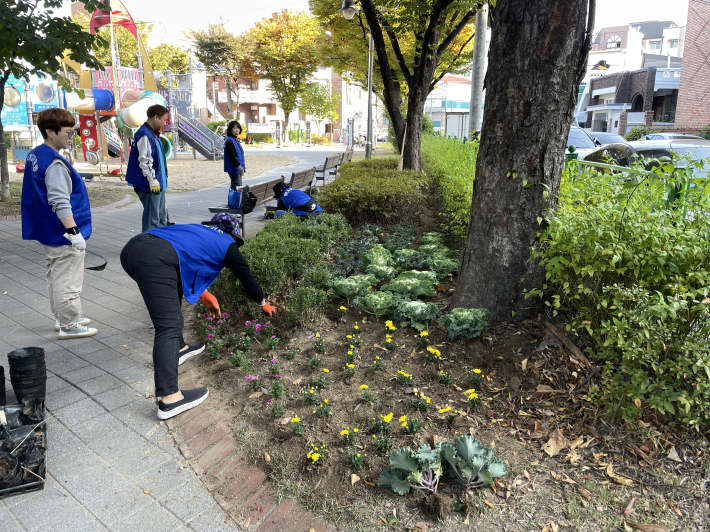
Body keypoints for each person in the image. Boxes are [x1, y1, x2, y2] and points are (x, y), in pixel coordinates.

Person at [120, 213, 276, 419]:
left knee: (172, 297)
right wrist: (263, 304)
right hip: (155, 258)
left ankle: (180, 348)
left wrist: (204, 294)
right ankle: (170, 399)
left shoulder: (199, 231)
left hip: (134, 248)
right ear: (234, 235)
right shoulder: (227, 243)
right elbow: (247, 277)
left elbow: (182, 259)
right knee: (168, 326)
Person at [21, 108, 98, 339]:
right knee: (68, 278)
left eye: (72, 131)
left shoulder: (36, 154)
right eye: (67, 131)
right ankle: (69, 324)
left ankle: (63, 317)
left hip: (47, 229)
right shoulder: (54, 163)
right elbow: (60, 201)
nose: (71, 136)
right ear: (50, 131)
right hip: (62, 232)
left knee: (56, 275)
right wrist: (74, 233)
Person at [126, 104, 169, 232]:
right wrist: (152, 179)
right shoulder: (145, 135)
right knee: (153, 219)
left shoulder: (153, 134)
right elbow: (144, 160)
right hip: (149, 184)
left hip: (158, 182)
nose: (165, 123)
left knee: (162, 217)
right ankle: (149, 245)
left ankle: (160, 244)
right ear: (156, 117)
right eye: (163, 119)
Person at [224, 120, 246, 190]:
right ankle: (234, 201)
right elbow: (231, 157)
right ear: (230, 130)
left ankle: (233, 201)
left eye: (238, 128)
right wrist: (238, 166)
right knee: (237, 188)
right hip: (234, 168)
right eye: (234, 128)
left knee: (235, 188)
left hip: (237, 168)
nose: (237, 130)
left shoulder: (234, 139)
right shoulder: (230, 141)